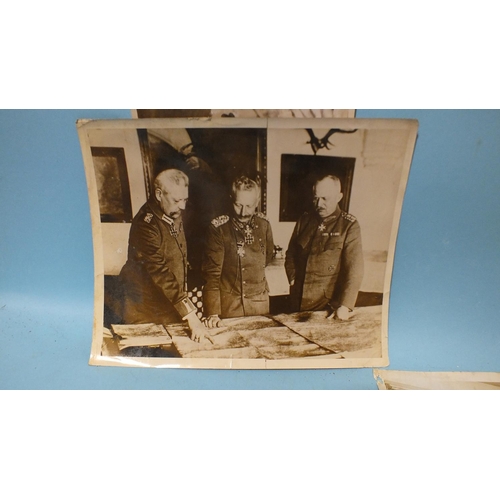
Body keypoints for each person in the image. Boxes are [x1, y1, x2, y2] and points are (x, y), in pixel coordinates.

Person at [119, 169, 209, 342]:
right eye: (177, 200)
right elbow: (161, 272)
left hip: (169, 305)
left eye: (185, 199)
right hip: (144, 311)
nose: (182, 206)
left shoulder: (172, 210)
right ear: (159, 194)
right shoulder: (146, 225)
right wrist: (191, 316)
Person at [285, 174, 364, 320]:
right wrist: (292, 278)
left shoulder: (349, 226)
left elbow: (354, 270)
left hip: (326, 306)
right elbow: (291, 253)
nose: (319, 204)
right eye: (316, 197)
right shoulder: (304, 220)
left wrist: (345, 306)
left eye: (325, 199)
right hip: (297, 300)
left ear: (339, 197)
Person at [202, 174, 274, 327]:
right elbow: (212, 274)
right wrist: (213, 312)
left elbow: (267, 258)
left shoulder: (264, 225)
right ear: (231, 199)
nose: (243, 212)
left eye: (249, 206)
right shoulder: (219, 228)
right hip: (229, 306)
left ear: (257, 202)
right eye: (238, 205)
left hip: (259, 305)